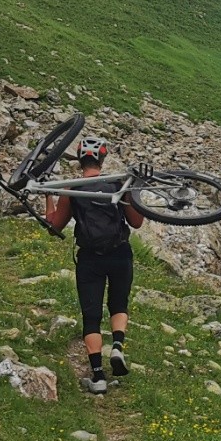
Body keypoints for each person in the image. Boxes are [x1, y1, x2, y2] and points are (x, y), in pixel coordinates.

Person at [44, 135, 144, 395]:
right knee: (118, 304)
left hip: (90, 258)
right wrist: (135, 191)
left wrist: (48, 195)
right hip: (120, 253)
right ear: (102, 158)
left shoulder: (73, 188)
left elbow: (54, 227)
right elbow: (136, 222)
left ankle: (98, 377)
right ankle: (118, 347)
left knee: (91, 317)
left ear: (80, 160)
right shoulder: (117, 184)